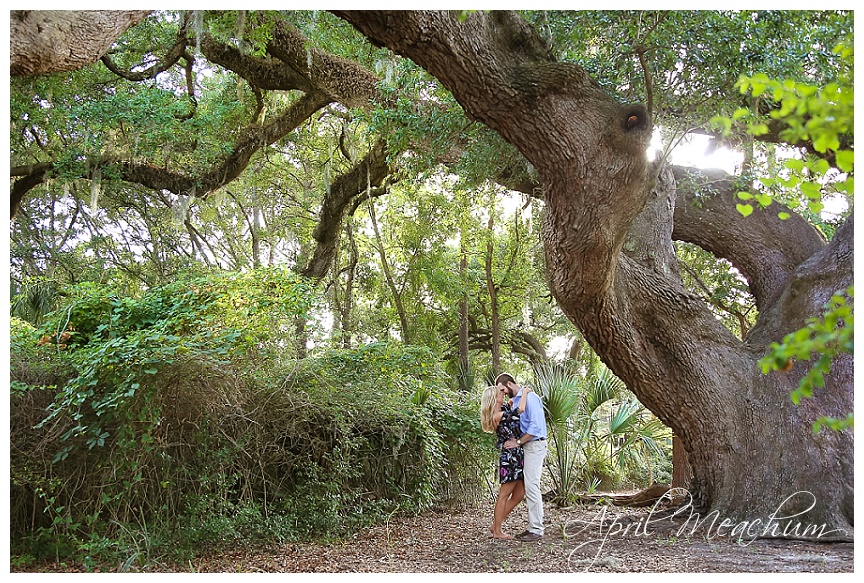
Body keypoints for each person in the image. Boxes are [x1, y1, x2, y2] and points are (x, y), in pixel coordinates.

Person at [496, 372, 548, 542]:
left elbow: (534, 428)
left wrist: (518, 442)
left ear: (510, 384)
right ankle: (530, 527)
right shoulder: (516, 402)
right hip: (523, 448)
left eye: (502, 389)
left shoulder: (530, 398)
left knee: (532, 486)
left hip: (534, 445)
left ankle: (537, 529)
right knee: (525, 488)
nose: (502, 393)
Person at [480, 383, 531, 539]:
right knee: (504, 495)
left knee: (519, 494)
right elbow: (519, 411)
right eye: (499, 393)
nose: (502, 393)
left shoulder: (502, 411)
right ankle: (497, 531)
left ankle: (496, 524)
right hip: (510, 458)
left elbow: (510, 408)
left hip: (517, 455)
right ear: (494, 398)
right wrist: (525, 393)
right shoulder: (496, 416)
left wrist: (510, 400)